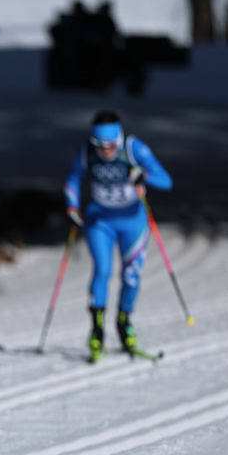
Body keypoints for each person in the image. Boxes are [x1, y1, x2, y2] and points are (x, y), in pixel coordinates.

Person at [63, 110, 172, 357]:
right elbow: (72, 180)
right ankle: (97, 330)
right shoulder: (87, 152)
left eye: (111, 145)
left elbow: (166, 181)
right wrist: (72, 205)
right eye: (100, 145)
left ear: (119, 139)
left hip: (133, 223)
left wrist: (143, 175)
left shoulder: (134, 149)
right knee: (102, 270)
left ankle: (123, 323)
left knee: (131, 276)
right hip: (100, 221)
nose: (106, 151)